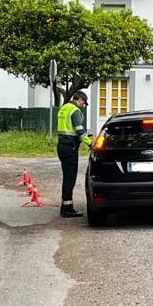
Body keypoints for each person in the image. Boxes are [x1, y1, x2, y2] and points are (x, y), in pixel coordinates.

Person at [56, 90, 92, 218]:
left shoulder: (64, 108)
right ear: (80, 100)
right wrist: (90, 144)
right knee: (70, 178)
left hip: (61, 146)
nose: (83, 106)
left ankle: (65, 206)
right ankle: (67, 209)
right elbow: (79, 131)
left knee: (67, 177)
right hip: (70, 147)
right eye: (84, 103)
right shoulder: (75, 110)